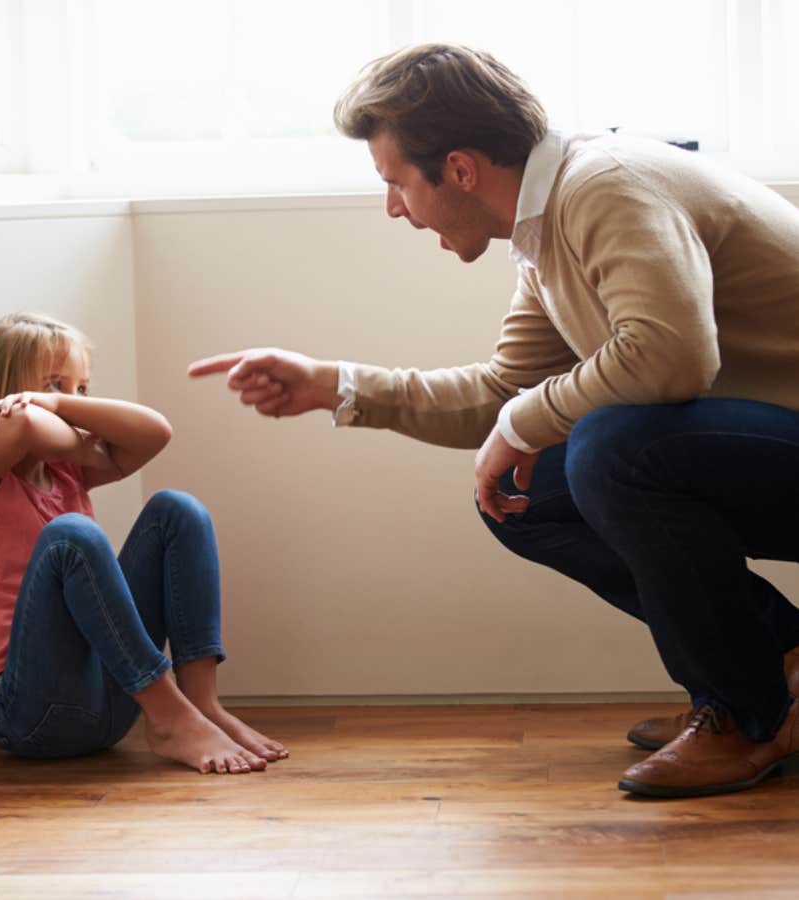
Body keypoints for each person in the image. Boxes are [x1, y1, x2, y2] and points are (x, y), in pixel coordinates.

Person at [188, 43, 799, 798]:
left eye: (395, 183)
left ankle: (748, 715)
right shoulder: (546, 226)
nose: (393, 209)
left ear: (461, 169)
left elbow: (670, 358)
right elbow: (506, 388)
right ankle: (768, 672)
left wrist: (522, 418)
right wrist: (334, 385)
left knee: (610, 446)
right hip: (770, 449)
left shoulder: (606, 185)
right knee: (522, 496)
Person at [0, 312, 287, 774]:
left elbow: (156, 430)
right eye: (53, 385)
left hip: (109, 704)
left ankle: (199, 706)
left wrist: (52, 405)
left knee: (178, 511)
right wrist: (76, 438)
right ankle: (171, 716)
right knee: (72, 537)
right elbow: (23, 429)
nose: (70, 402)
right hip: (26, 715)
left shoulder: (63, 472)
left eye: (81, 390)